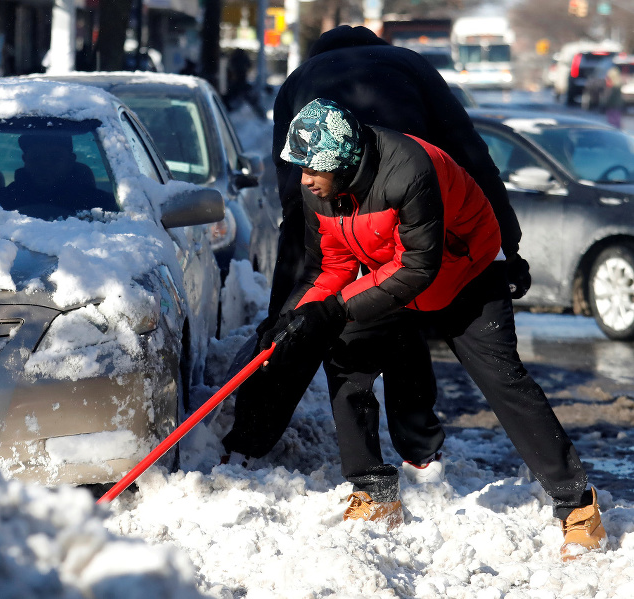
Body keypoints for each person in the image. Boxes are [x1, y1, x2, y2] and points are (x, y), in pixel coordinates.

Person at [255, 98, 606, 559]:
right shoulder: (319, 187)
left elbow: (420, 268)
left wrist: (336, 310)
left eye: (311, 168)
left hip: (465, 272)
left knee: (503, 381)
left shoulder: (408, 171)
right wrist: (295, 317)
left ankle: (578, 507)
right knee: (343, 355)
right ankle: (373, 490)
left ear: (340, 162)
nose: (302, 179)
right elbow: (331, 263)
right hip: (391, 273)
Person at [222, 25, 529, 480]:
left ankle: (248, 443)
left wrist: (293, 279)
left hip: (329, 206)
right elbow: (472, 155)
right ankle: (420, 448)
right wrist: (509, 243)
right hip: (406, 201)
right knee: (402, 311)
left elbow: (293, 179)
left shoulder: (299, 80)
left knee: (295, 323)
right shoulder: (412, 65)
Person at [0, 132, 115, 216]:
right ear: (25, 160)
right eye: (36, 157)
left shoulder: (103, 207)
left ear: (71, 160)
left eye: (55, 157)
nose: (45, 164)